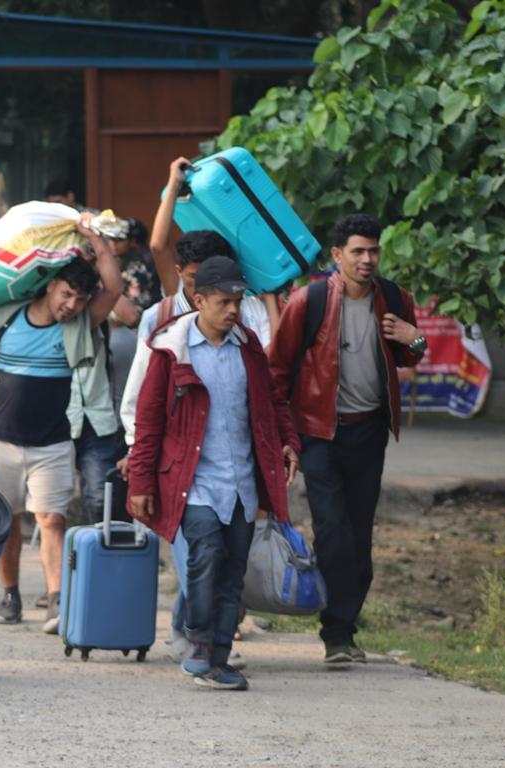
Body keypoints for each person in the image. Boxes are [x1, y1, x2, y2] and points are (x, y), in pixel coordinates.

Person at [0, 211, 122, 634]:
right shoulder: (10, 312)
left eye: (78, 299)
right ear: (51, 284)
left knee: (52, 519)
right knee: (6, 522)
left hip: (53, 443)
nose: (71, 305)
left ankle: (56, 601)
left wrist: (93, 237)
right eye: (66, 294)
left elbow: (115, 287)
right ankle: (11, 594)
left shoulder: (82, 325)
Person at [127, 256, 300, 691]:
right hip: (193, 483)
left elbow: (273, 403)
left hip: (241, 481)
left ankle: (219, 658)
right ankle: (198, 642)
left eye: (237, 302)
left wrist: (287, 442)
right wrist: (142, 483)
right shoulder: (170, 349)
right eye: (224, 302)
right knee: (205, 557)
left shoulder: (248, 348)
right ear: (198, 300)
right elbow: (148, 422)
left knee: (233, 571)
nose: (233, 311)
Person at [268, 213, 424, 664]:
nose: (367, 259)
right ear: (337, 256)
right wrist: (284, 437)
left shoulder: (394, 298)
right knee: (332, 531)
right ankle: (334, 632)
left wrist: (415, 342)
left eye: (373, 250)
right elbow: (277, 371)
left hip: (368, 432)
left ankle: (343, 631)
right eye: (357, 251)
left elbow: (408, 355)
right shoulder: (309, 300)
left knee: (358, 538)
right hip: (318, 433)